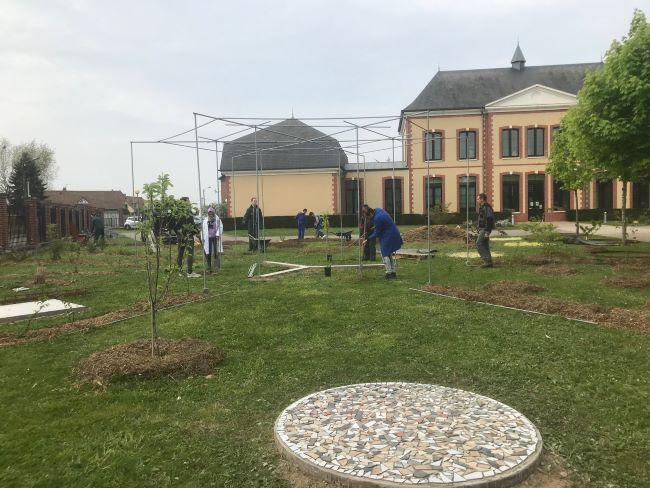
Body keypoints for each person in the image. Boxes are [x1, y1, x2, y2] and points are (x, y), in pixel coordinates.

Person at [363, 205, 403, 279]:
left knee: (384, 254)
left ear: (371, 214)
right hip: (393, 232)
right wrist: (375, 225)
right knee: (389, 253)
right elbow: (382, 222)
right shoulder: (378, 210)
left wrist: (367, 239)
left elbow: (376, 233)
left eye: (368, 217)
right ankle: (393, 272)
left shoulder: (378, 218)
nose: (369, 219)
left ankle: (389, 273)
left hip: (388, 235)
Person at [175, 197, 200, 278]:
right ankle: (189, 272)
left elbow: (175, 226)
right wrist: (197, 232)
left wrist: (178, 233)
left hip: (180, 236)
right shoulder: (187, 212)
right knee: (190, 253)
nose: (189, 203)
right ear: (185, 203)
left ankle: (179, 271)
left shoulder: (178, 213)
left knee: (180, 253)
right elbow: (192, 223)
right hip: (188, 236)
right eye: (188, 201)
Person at [476, 193, 494, 268]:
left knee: (479, 243)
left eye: (478, 199)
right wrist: (478, 227)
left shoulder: (486, 207)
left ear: (482, 199)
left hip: (485, 229)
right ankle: (489, 262)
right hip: (482, 229)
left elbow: (489, 219)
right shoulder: (482, 207)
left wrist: (487, 232)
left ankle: (487, 261)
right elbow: (482, 219)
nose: (477, 200)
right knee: (485, 245)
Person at [202, 207, 223, 272]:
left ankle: (217, 265)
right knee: (208, 252)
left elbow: (220, 227)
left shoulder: (217, 219)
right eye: (209, 213)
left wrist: (217, 234)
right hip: (208, 238)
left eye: (212, 213)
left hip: (215, 238)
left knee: (216, 251)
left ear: (214, 213)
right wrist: (202, 238)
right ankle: (209, 265)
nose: (210, 214)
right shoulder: (205, 220)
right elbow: (203, 229)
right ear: (208, 213)